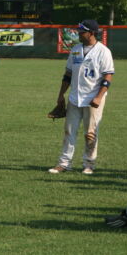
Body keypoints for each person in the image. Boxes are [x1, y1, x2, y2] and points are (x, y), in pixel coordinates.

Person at [48, 19, 114, 175]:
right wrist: (60, 96)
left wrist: (99, 97)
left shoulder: (103, 51)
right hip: (74, 97)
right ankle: (64, 163)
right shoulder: (76, 50)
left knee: (90, 133)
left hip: (93, 98)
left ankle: (89, 164)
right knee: (69, 131)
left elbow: (108, 77)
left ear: (91, 33)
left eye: (82, 31)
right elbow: (67, 75)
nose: (78, 33)